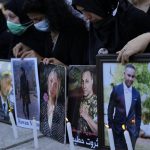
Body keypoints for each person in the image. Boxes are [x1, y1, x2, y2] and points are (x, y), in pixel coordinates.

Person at [73, 0, 150, 65]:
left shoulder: (135, 18)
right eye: (81, 11)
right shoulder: (97, 21)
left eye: (87, 10)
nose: (86, 17)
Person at [12, 0, 88, 65]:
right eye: (32, 20)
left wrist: (41, 60)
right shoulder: (48, 32)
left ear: (52, 14)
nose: (36, 24)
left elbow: (80, 73)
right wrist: (28, 50)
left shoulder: (75, 31)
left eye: (39, 19)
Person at [108, 64, 141, 150]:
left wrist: (136, 131)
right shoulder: (116, 90)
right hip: (117, 131)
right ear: (124, 74)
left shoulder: (136, 94)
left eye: (133, 76)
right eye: (129, 75)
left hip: (131, 133)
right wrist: (111, 126)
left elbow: (138, 115)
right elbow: (110, 109)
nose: (130, 78)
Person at [40, 66, 65, 143]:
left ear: (60, 88)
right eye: (51, 81)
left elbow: (60, 137)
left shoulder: (61, 110)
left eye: (56, 84)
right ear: (47, 81)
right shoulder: (42, 105)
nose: (52, 87)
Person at [78, 70, 97, 135]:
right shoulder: (81, 99)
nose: (84, 86)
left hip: (92, 142)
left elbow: (98, 132)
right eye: (82, 82)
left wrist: (86, 117)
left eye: (87, 81)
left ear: (92, 81)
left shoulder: (96, 101)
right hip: (81, 140)